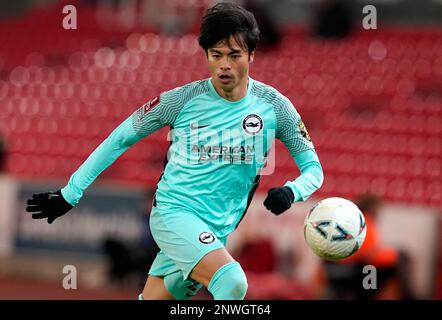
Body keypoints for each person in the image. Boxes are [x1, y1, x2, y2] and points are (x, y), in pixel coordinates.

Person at [26, 2, 324, 300]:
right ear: (206, 54)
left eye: (234, 56)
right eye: (216, 55)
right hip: (174, 214)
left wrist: (291, 192)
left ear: (251, 55)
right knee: (233, 282)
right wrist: (70, 193)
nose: (224, 65)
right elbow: (119, 139)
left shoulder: (275, 106)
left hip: (217, 229)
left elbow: (314, 170)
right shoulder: (179, 100)